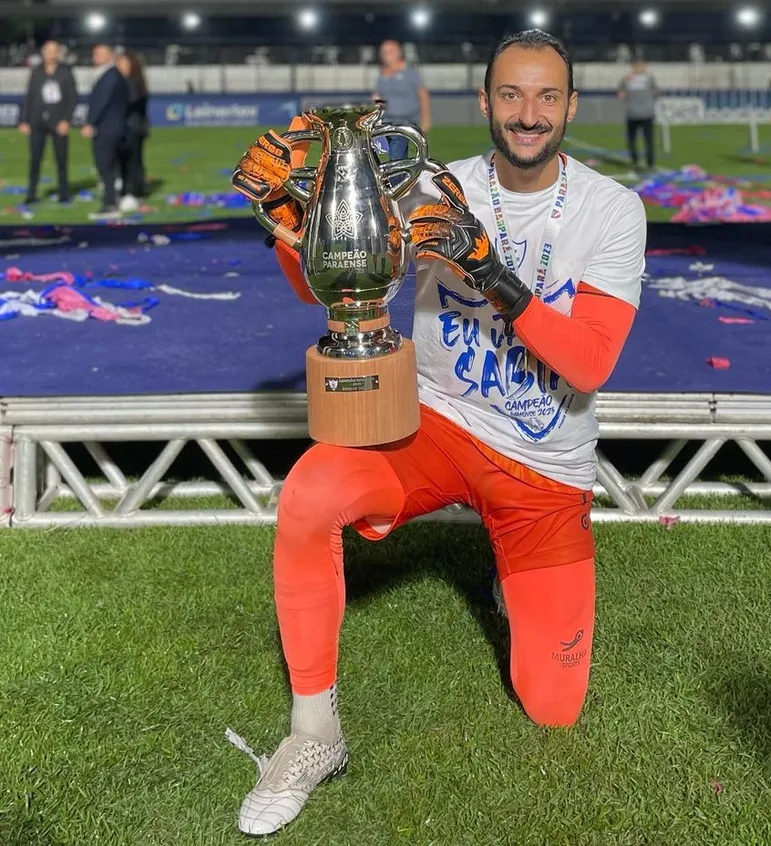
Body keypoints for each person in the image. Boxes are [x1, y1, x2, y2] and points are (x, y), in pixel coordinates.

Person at [230, 28, 647, 837]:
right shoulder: (433, 182)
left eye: (547, 96)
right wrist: (285, 217)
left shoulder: (611, 209)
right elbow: (340, 283)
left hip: (543, 466)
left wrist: (489, 270)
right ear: (486, 102)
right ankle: (314, 734)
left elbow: (591, 363)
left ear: (569, 106)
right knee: (309, 494)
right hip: (435, 427)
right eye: (512, 95)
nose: (530, 114)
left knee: (553, 708)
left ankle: (509, 576)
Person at [18, 40, 77, 205]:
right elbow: (29, 97)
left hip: (58, 122)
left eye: (54, 51)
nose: (50, 54)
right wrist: (24, 120)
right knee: (35, 159)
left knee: (61, 159)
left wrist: (66, 120)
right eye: (48, 51)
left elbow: (72, 98)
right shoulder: (36, 72)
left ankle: (63, 193)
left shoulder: (65, 72)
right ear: (42, 53)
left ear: (58, 53)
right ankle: (31, 193)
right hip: (37, 121)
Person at [82, 43, 129, 218]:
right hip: (113, 127)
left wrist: (90, 123)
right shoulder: (112, 75)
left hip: (107, 128)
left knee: (105, 166)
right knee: (109, 166)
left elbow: (102, 101)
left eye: (99, 54)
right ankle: (113, 200)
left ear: (110, 56)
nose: (95, 57)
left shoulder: (110, 76)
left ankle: (110, 204)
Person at [371, 39, 430, 160]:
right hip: (384, 122)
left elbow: (423, 95)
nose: (385, 55)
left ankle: (397, 178)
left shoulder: (410, 73)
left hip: (403, 122)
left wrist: (425, 119)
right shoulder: (383, 76)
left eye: (389, 52)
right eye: (384, 52)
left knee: (396, 156)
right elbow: (379, 96)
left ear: (398, 53)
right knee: (376, 154)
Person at [116, 50, 149, 212]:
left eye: (123, 63)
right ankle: (127, 189)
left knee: (134, 161)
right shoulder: (124, 81)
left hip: (134, 128)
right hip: (125, 127)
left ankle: (135, 191)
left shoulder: (134, 82)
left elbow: (132, 104)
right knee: (123, 161)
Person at [616, 58, 659, 171]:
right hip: (633, 113)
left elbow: (656, 91)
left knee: (648, 140)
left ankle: (650, 163)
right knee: (632, 140)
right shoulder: (628, 79)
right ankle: (635, 160)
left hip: (646, 113)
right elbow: (620, 91)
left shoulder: (649, 78)